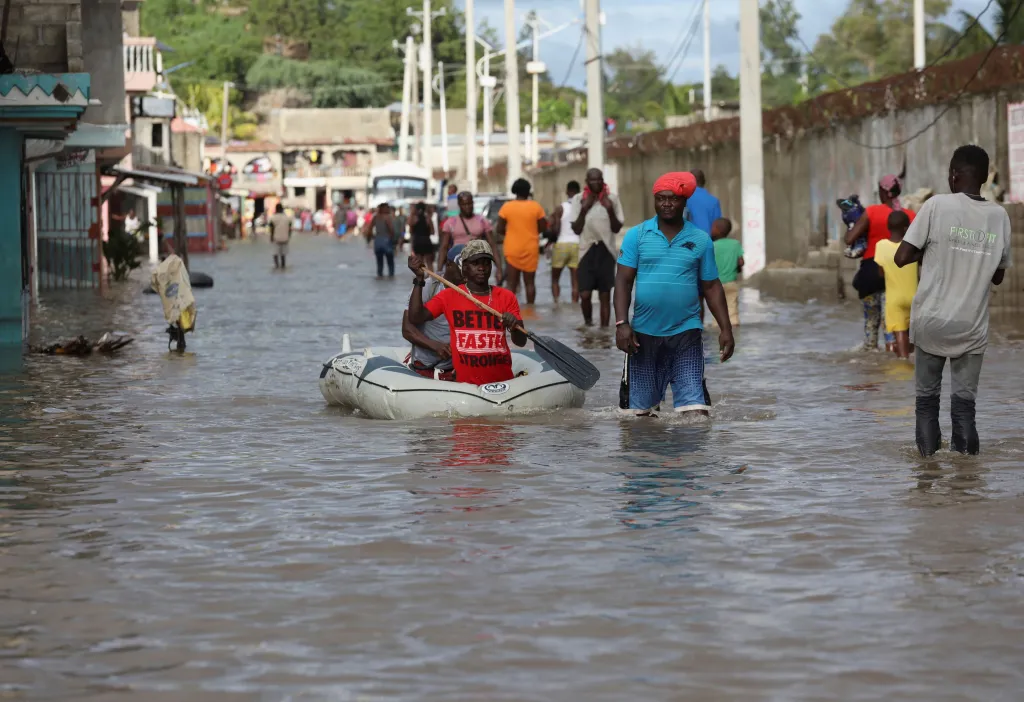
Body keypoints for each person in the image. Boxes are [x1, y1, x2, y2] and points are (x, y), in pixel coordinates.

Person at [893, 144, 1011, 457]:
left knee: (927, 403)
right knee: (964, 410)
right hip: (971, 325)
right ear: (985, 177)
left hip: (931, 320)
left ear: (953, 174)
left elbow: (901, 256)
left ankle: (927, 475)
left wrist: (934, 248)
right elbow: (997, 276)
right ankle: (967, 480)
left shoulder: (936, 206)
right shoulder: (1000, 216)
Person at [614, 171, 735, 417]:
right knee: (640, 419)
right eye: (661, 198)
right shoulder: (636, 236)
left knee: (696, 417)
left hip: (686, 334)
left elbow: (711, 286)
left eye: (673, 199)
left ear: (684, 201)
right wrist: (621, 323)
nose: (666, 204)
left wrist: (726, 328)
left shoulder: (700, 240)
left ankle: (694, 457)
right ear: (655, 200)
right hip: (643, 337)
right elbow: (623, 281)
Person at [406, 239, 527, 385]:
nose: (482, 268)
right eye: (475, 263)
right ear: (464, 268)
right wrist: (419, 279)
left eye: (486, 263)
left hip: (503, 384)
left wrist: (513, 327)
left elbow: (521, 341)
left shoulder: (507, 297)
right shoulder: (449, 296)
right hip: (466, 388)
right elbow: (415, 317)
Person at [846, 174, 917, 351]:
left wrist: (850, 227)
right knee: (892, 327)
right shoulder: (910, 216)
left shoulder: (871, 212)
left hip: (870, 276)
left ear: (884, 193)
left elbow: (850, 239)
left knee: (871, 323)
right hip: (896, 279)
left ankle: (872, 365)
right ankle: (894, 369)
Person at [402, 244, 465, 380]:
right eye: (462, 269)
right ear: (449, 265)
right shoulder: (429, 287)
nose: (467, 275)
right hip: (427, 365)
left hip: (457, 366)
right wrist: (434, 346)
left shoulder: (472, 292)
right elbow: (407, 329)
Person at [572, 168, 625, 325]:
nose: (596, 183)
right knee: (585, 294)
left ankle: (603, 331)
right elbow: (576, 229)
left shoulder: (612, 199)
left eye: (599, 180)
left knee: (605, 294)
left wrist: (609, 209)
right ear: (587, 182)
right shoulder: (578, 199)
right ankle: (588, 325)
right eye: (592, 180)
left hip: (606, 251)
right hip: (586, 251)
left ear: (603, 181)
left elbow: (616, 228)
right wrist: (584, 209)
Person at [873, 211, 917, 359]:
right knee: (913, 334)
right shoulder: (913, 247)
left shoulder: (881, 246)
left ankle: (904, 362)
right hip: (915, 297)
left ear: (888, 227)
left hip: (894, 299)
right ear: (906, 228)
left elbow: (880, 273)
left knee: (900, 332)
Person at [497, 178, 547, 303]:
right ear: (528, 191)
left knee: (511, 284)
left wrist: (511, 233)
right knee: (530, 283)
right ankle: (531, 311)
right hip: (531, 248)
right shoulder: (536, 207)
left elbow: (499, 229)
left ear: (514, 191)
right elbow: (542, 227)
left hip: (512, 248)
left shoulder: (507, 207)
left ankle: (510, 311)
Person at [438, 192, 503, 282]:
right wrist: (439, 271)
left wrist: (499, 269)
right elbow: (444, 247)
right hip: (458, 263)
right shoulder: (451, 222)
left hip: (477, 263)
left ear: (473, 203)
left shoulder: (482, 221)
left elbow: (493, 245)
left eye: (469, 203)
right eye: (464, 204)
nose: (467, 207)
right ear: (459, 205)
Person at [547, 180, 582, 303]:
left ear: (567, 192)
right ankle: (574, 304)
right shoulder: (583, 207)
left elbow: (555, 229)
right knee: (576, 281)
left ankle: (556, 303)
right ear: (579, 192)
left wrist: (550, 242)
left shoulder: (561, 208)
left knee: (555, 279)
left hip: (561, 244)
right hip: (577, 245)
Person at [711, 218, 743, 327]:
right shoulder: (735, 244)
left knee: (717, 307)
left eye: (713, 227)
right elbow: (741, 261)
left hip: (715, 284)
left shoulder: (712, 246)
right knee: (732, 306)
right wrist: (737, 269)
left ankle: (717, 325)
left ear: (718, 230)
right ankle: (734, 323)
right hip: (731, 282)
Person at [365, 201, 401, 278]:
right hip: (386, 241)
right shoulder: (387, 217)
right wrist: (393, 240)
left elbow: (369, 229)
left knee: (379, 261)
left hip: (377, 241)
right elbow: (391, 230)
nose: (389, 209)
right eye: (387, 208)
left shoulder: (375, 217)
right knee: (390, 261)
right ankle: (391, 276)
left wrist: (369, 239)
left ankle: (380, 275)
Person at [686, 169, 722, 236]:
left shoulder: (685, 199)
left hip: (690, 242)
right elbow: (718, 227)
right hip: (709, 242)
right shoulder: (714, 201)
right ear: (704, 182)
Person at [408, 202, 437, 271]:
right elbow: (433, 232)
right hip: (426, 241)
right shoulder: (428, 219)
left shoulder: (414, 219)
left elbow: (410, 231)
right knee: (429, 262)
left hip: (417, 242)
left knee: (419, 262)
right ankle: (432, 278)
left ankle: (421, 278)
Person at [269, 203, 292, 269]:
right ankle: (283, 265)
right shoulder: (287, 217)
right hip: (285, 237)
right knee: (283, 254)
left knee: (275, 253)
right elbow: (290, 228)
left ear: (276, 209)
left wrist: (271, 237)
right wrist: (289, 236)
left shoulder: (273, 218)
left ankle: (276, 266)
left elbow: (271, 228)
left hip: (276, 237)